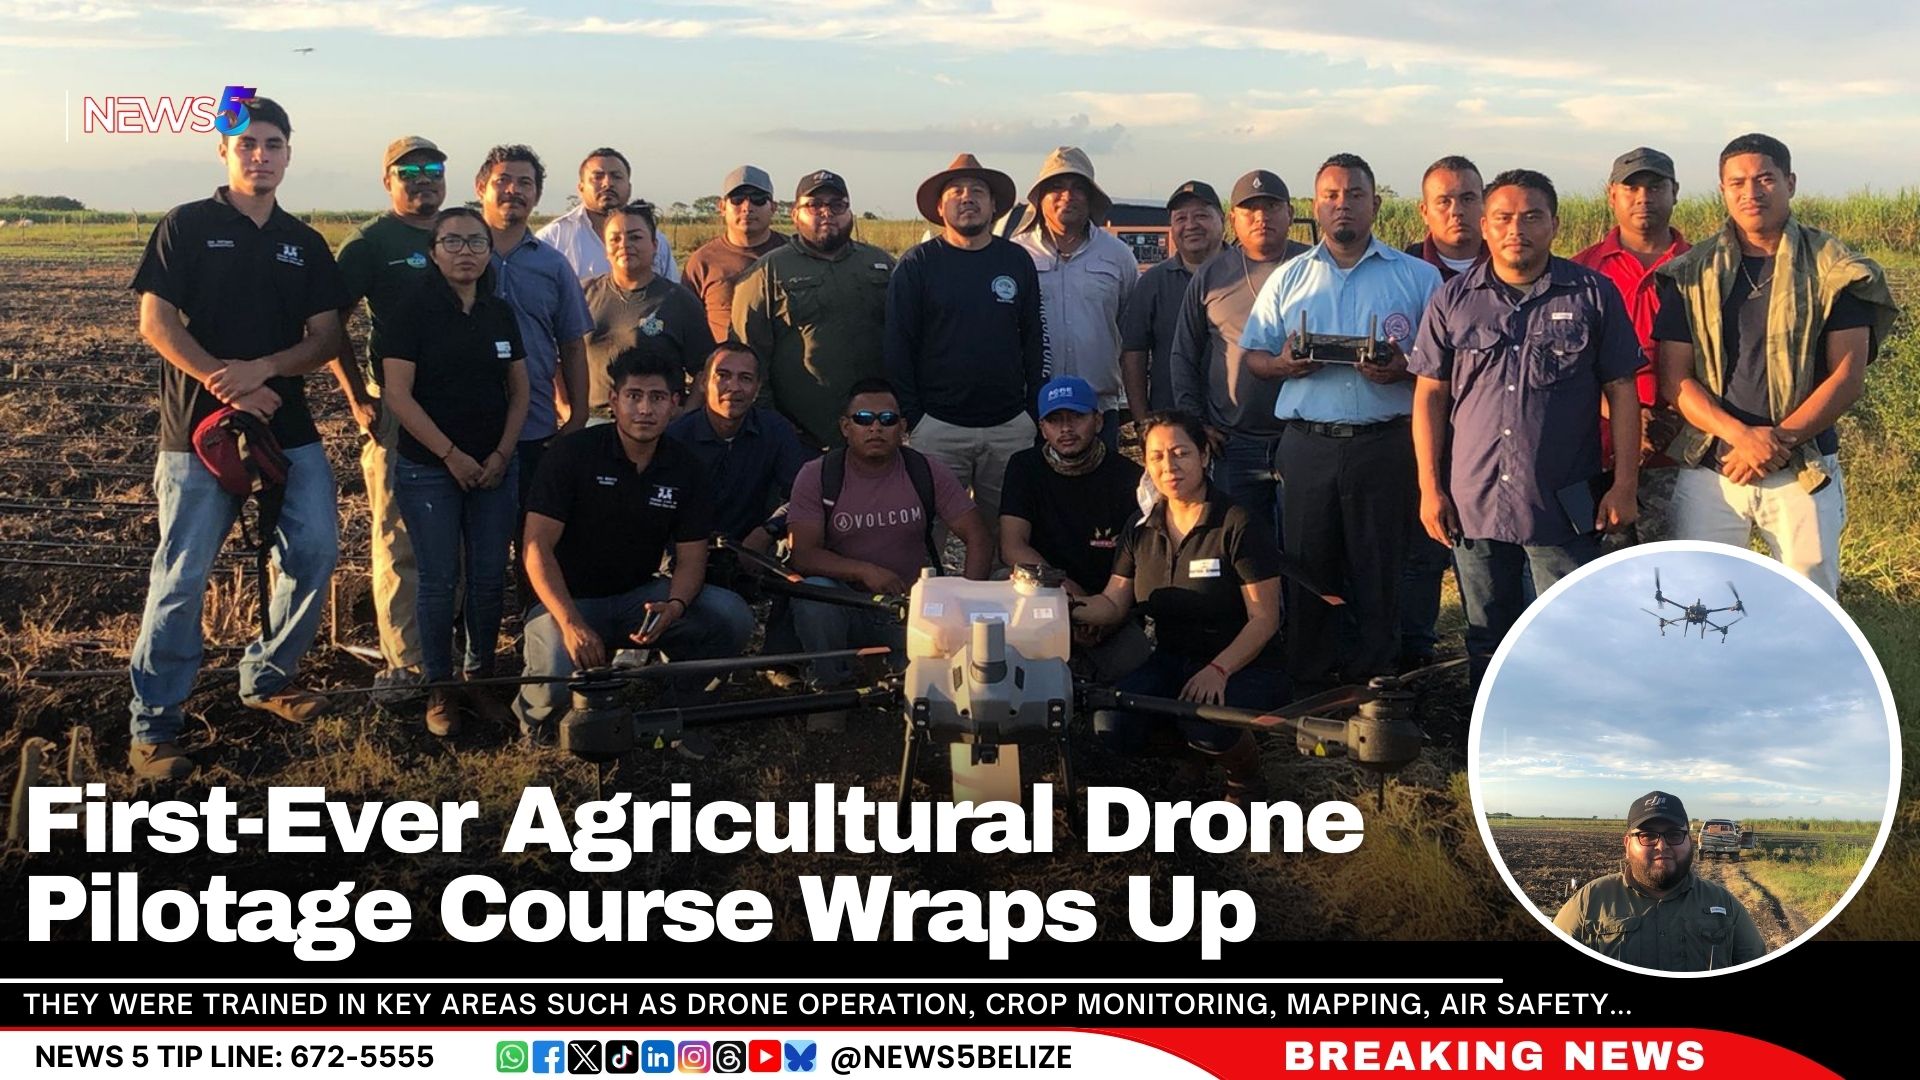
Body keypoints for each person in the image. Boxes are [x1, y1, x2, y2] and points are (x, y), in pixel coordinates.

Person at [126, 96, 348, 779]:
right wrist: (226, 381)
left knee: (314, 548)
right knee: (182, 575)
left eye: (273, 144)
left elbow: (328, 338)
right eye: (247, 142)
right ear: (223, 150)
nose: (261, 154)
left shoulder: (304, 243)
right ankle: (154, 726)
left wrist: (266, 370)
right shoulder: (186, 226)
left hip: (286, 427)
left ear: (289, 153)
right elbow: (156, 323)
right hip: (197, 431)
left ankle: (270, 676)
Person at [1409, 169, 1642, 688]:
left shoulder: (1592, 294)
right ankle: (1489, 735)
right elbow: (1429, 393)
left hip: (1562, 500)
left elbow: (1622, 391)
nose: (1518, 228)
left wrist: (1624, 484)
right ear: (1485, 227)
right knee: (1486, 632)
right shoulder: (1452, 300)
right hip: (1475, 497)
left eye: (1532, 216)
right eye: (1504, 217)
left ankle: (1562, 732)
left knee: (1566, 629)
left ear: (1554, 224)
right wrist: (1430, 487)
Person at [1652, 134, 1896, 597]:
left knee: (1809, 601)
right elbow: (1674, 378)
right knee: (1697, 600)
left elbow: (1847, 376)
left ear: (1790, 182)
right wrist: (1741, 438)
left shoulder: (1834, 267)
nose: (1752, 192)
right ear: (1722, 190)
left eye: (1765, 178)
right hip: (1713, 465)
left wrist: (1774, 444)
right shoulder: (1691, 272)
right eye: (1737, 182)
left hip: (1802, 466)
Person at [1241, 153, 1441, 688]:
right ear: (1316, 207)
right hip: (1310, 446)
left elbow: (1444, 369)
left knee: (1379, 568)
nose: (1342, 204)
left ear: (1375, 204)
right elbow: (1255, 358)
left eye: (1354, 194)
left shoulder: (1418, 278)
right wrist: (1283, 365)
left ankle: (1376, 685)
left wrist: (1404, 369)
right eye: (1331, 195)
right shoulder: (1289, 279)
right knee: (1308, 567)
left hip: (1385, 445)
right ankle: (1308, 681)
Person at [513, 349, 755, 744]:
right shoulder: (571, 455)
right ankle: (534, 728)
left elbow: (692, 559)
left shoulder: (686, 467)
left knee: (731, 615)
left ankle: (678, 708)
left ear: (675, 404)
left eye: (657, 398)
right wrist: (572, 624)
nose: (645, 409)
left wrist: (673, 606)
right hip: (565, 602)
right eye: (634, 396)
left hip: (638, 599)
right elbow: (536, 547)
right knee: (557, 673)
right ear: (613, 401)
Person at [1072, 412, 1284, 804]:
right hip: (1170, 658)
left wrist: (1219, 670)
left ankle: (1245, 776)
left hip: (1241, 661)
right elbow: (1112, 602)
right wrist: (1059, 611)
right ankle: (1195, 756)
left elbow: (1265, 618)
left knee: (1209, 724)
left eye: (1180, 453)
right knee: (1112, 725)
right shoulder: (1140, 527)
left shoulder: (1238, 523)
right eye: (1156, 457)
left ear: (1204, 456)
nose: (1168, 466)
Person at [380, 207, 530, 737]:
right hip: (430, 470)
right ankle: (440, 687)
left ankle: (479, 679)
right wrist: (450, 455)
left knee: (490, 579)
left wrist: (501, 455)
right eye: (454, 242)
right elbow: (398, 395)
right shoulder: (411, 310)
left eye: (476, 242)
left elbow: (520, 391)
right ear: (434, 250)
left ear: (489, 251)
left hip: (494, 469)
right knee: (440, 580)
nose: (466, 252)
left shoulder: (498, 311)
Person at [786, 378, 992, 727]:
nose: (876, 428)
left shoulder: (925, 471)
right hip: (844, 605)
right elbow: (802, 555)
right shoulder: (818, 475)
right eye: (864, 418)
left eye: (887, 419)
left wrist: (964, 604)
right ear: (845, 426)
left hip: (909, 611)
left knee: (932, 708)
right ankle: (830, 688)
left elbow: (978, 536)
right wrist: (864, 570)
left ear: (903, 428)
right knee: (812, 596)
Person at [328, 134, 446, 697]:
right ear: (388, 182)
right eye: (408, 171)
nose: (422, 178)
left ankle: (452, 662)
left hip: (465, 407)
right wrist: (357, 398)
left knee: (459, 541)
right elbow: (330, 326)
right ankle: (406, 664)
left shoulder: (465, 232)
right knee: (400, 538)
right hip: (398, 405)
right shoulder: (370, 243)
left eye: (432, 167)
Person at [887, 153, 1046, 533]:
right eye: (956, 191)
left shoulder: (1016, 261)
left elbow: (1035, 339)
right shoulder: (916, 265)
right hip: (938, 428)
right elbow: (897, 345)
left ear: (994, 206)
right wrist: (915, 417)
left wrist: (1031, 411)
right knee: (930, 537)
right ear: (941, 206)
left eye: (978, 191)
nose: (967, 197)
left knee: (1008, 537)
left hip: (1009, 426)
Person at [1168, 169, 1310, 537]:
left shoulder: (1316, 267)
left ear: (1290, 213)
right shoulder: (1213, 274)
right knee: (1242, 546)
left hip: (1303, 439)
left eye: (1271, 207)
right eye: (1250, 210)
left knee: (1303, 547)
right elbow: (1184, 353)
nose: (1261, 217)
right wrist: (1196, 421)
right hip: (1235, 442)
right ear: (1234, 218)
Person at [1573, 148, 1693, 551]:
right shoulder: (1581, 272)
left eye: (1655, 187)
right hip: (1594, 449)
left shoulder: (1703, 269)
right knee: (1597, 572)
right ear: (1612, 195)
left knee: (1674, 573)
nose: (1644, 198)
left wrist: (1669, 421)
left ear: (1675, 192)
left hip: (1681, 453)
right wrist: (1623, 417)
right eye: (1632, 188)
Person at [732, 169, 896, 450]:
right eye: (814, 205)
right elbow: (746, 356)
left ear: (850, 212)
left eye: (837, 205)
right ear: (795, 214)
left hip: (875, 430)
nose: (826, 212)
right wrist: (773, 422)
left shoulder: (881, 263)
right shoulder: (767, 272)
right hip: (800, 436)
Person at [998, 376, 1149, 682]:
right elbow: (1012, 546)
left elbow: (1139, 561)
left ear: (1098, 420)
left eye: (1076, 417)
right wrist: (1067, 595)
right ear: (1042, 428)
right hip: (1043, 593)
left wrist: (1104, 612)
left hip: (1108, 606)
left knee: (1136, 668)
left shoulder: (1129, 478)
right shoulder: (1023, 467)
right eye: (1055, 420)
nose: (1066, 429)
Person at [1398, 155, 1486, 670]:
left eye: (1468, 198)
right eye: (1444, 201)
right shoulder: (1399, 270)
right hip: (1420, 440)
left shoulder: (1515, 267)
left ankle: (1494, 664)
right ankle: (1417, 668)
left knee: (1496, 564)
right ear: (1424, 211)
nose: (1457, 211)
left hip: (1490, 446)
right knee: (1420, 559)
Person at [475, 144, 592, 495]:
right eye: (503, 180)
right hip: (465, 422)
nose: (514, 190)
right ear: (481, 188)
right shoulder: (457, 258)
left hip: (536, 423)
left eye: (525, 183)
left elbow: (572, 345)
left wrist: (578, 416)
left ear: (537, 195)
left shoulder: (553, 266)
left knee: (531, 534)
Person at [1553, 791, 1766, 972]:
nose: (1662, 846)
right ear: (1627, 844)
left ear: (1690, 841)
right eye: (1647, 835)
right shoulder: (1590, 901)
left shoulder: (1723, 904)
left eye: (1674, 834)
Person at [1011, 146, 1138, 447]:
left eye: (1077, 189)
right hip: (1031, 410)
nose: (1067, 196)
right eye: (1055, 187)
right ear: (1039, 199)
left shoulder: (1118, 256)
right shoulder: (1015, 255)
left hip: (1096, 410)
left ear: (1091, 199)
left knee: (1098, 494)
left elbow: (1131, 336)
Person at [666, 342, 809, 548]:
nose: (734, 387)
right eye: (722, 375)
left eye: (745, 378)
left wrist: (770, 529)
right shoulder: (675, 438)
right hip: (681, 556)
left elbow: (803, 496)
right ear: (703, 383)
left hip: (750, 557)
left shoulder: (775, 430)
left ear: (758, 388)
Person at [583, 200, 712, 418]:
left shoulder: (678, 301)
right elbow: (558, 360)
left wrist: (687, 412)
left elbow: (705, 369)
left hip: (655, 422)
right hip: (594, 421)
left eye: (635, 237)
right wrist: (568, 410)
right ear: (605, 248)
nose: (625, 245)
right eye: (615, 239)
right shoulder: (583, 294)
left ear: (654, 245)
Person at [1121, 180, 1225, 423]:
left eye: (1201, 215)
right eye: (1181, 218)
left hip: (1238, 428)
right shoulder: (1151, 283)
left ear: (1223, 219)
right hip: (1173, 426)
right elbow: (1134, 355)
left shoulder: (1247, 275)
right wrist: (1142, 422)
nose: (1191, 225)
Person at [534, 147, 679, 283]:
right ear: (581, 188)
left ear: (629, 188)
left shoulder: (654, 239)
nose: (607, 183)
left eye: (616, 176)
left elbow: (673, 293)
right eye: (597, 177)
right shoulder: (553, 239)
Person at [682, 165, 787, 342]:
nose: (747, 207)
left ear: (774, 207)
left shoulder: (794, 254)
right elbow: (686, 324)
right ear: (722, 207)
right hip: (727, 366)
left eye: (759, 199)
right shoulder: (702, 262)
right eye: (738, 199)